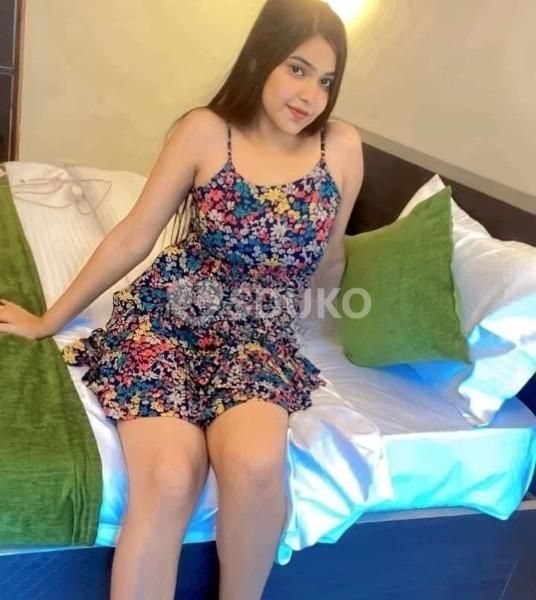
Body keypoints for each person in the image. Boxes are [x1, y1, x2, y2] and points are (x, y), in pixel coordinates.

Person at [0, 0, 364, 598]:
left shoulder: (341, 147)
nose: (310, 95)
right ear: (263, 58)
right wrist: (48, 320)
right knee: (170, 477)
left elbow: (330, 257)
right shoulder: (206, 130)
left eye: (325, 81)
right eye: (297, 69)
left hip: (256, 335)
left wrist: (319, 329)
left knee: (255, 467)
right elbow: (133, 236)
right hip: (166, 319)